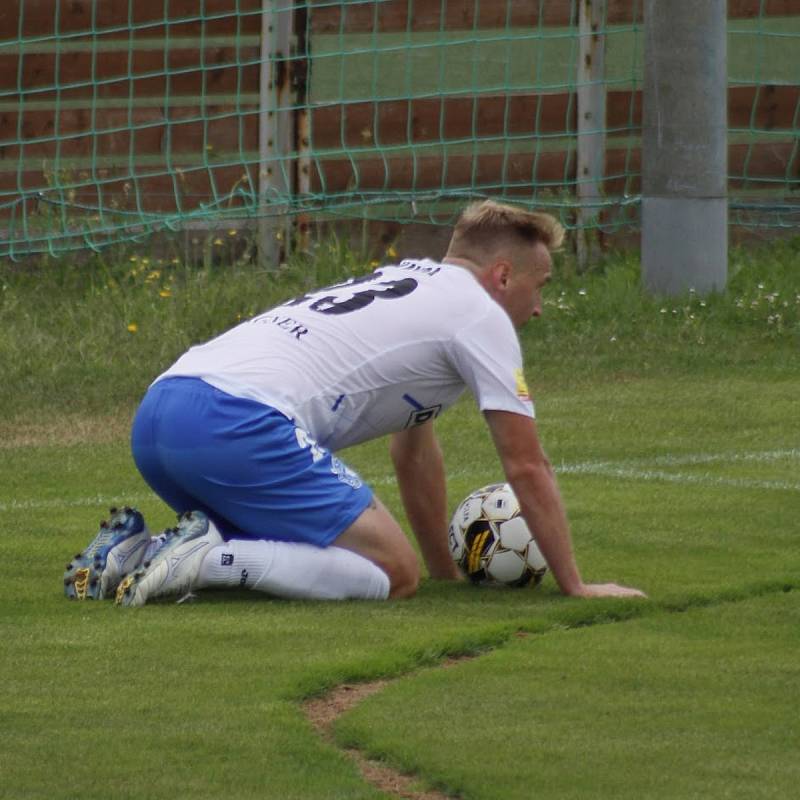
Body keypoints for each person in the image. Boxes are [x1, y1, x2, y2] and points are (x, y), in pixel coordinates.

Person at [63, 200, 646, 605]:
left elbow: (414, 454)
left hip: (163, 409)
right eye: (539, 285)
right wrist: (576, 585)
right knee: (392, 573)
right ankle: (205, 562)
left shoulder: (415, 285)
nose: (539, 307)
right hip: (235, 420)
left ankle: (138, 553)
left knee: (324, 552)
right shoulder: (479, 316)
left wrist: (443, 573)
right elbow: (526, 463)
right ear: (501, 274)